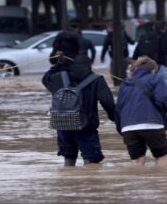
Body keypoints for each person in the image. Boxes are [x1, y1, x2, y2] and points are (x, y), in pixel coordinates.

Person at [42, 30, 115, 166]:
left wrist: (58, 64)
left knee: (68, 163)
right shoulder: (96, 79)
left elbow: (45, 79)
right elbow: (108, 103)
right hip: (86, 126)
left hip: (63, 126)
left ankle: (69, 187)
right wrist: (117, 120)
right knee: (92, 163)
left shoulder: (56, 77)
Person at [115, 56, 167, 166]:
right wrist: (164, 112)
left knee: (136, 160)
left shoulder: (125, 83)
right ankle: (162, 181)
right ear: (153, 69)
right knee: (161, 156)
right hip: (152, 124)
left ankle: (136, 181)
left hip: (128, 127)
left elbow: (118, 108)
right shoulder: (156, 79)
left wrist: (121, 127)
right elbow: (162, 100)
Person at [132, 20, 167, 97]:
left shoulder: (145, 37)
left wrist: (134, 65)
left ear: (153, 27)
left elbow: (137, 52)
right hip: (166, 65)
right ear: (165, 28)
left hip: (149, 67)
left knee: (151, 88)